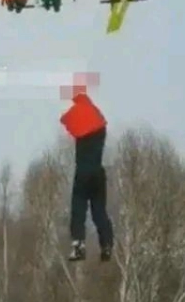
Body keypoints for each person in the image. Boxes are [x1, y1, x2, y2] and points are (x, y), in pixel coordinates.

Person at [60, 86, 114, 262]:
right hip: (98, 173)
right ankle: (106, 246)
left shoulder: (78, 114)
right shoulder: (99, 119)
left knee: (78, 209)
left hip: (83, 172)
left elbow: (65, 120)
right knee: (99, 211)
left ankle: (78, 245)